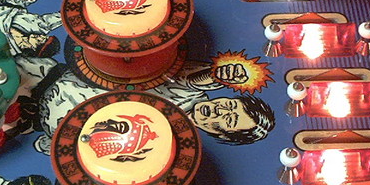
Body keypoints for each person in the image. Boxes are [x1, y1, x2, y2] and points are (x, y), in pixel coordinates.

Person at [24, 59, 276, 156]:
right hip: (44, 78)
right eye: (230, 105)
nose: (221, 110)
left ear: (223, 134)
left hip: (33, 126)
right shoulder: (189, 93)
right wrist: (217, 75)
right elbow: (191, 79)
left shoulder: (172, 147)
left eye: (229, 120)